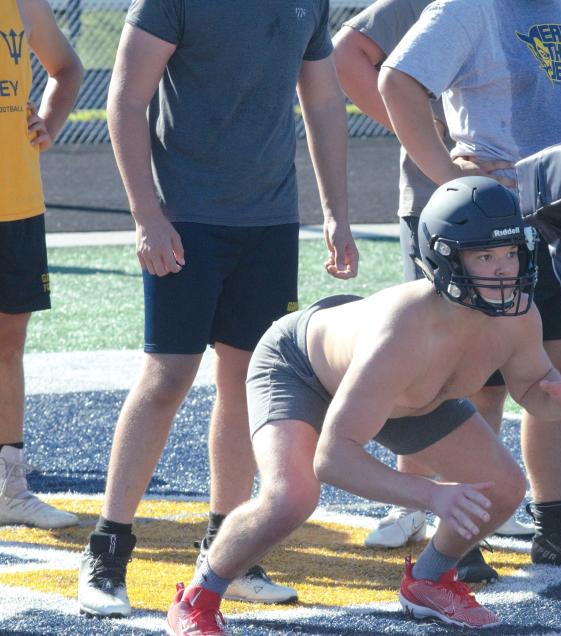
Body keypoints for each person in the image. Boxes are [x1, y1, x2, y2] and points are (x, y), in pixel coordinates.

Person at [162, 176, 561, 634]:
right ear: (444, 258)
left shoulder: (518, 313)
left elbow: (537, 396)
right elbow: (334, 459)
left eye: (510, 253)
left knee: (502, 487)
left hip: (409, 397)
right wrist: (431, 493)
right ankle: (196, 599)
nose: (503, 269)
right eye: (484, 255)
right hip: (299, 366)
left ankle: (428, 580)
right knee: (290, 497)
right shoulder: (404, 329)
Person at [76, 0, 358, 618]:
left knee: (246, 382)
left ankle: (226, 549)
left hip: (270, 222)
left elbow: (324, 102)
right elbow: (126, 101)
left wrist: (337, 212)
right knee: (167, 377)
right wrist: (146, 214)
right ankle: (107, 550)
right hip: (186, 218)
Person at [379, 0, 561, 569]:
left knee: (551, 373)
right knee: (475, 379)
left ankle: (555, 524)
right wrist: (450, 176)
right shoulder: (471, 7)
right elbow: (396, 80)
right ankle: (461, 534)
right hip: (493, 224)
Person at [332, 0, 532, 582]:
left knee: (487, 368)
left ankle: (470, 503)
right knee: (431, 361)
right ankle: (415, 498)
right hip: (449, 215)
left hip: (508, 213)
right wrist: (440, 149)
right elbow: (351, 57)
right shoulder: (440, 6)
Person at [0, 0, 83, 529]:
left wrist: (47, 124)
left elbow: (67, 68)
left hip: (17, 201)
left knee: (8, 346)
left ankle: (9, 488)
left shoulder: (23, 2)